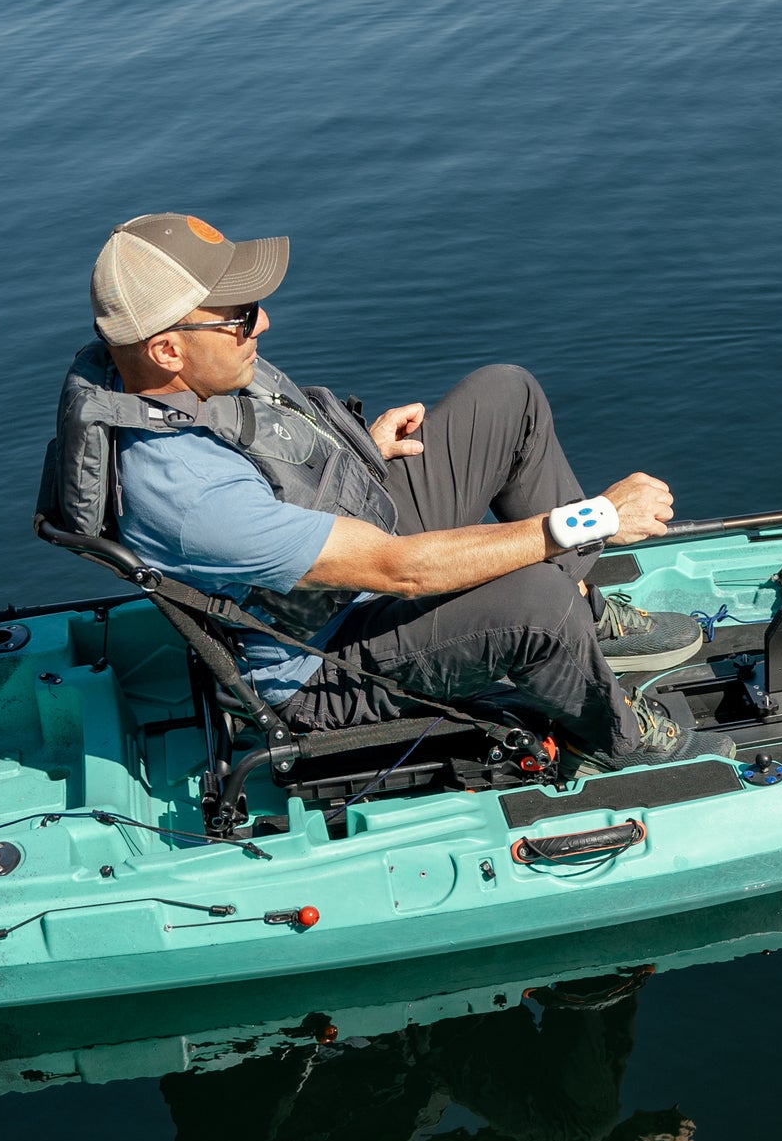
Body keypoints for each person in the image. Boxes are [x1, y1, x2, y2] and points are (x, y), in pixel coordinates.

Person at [61, 211, 729, 768]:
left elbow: (266, 457)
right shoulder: (189, 495)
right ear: (168, 350)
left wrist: (360, 450)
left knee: (507, 397)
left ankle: (582, 614)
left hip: (325, 574)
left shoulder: (173, 375)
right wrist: (594, 518)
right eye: (239, 317)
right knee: (537, 599)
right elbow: (399, 570)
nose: (261, 324)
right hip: (320, 663)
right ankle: (615, 736)